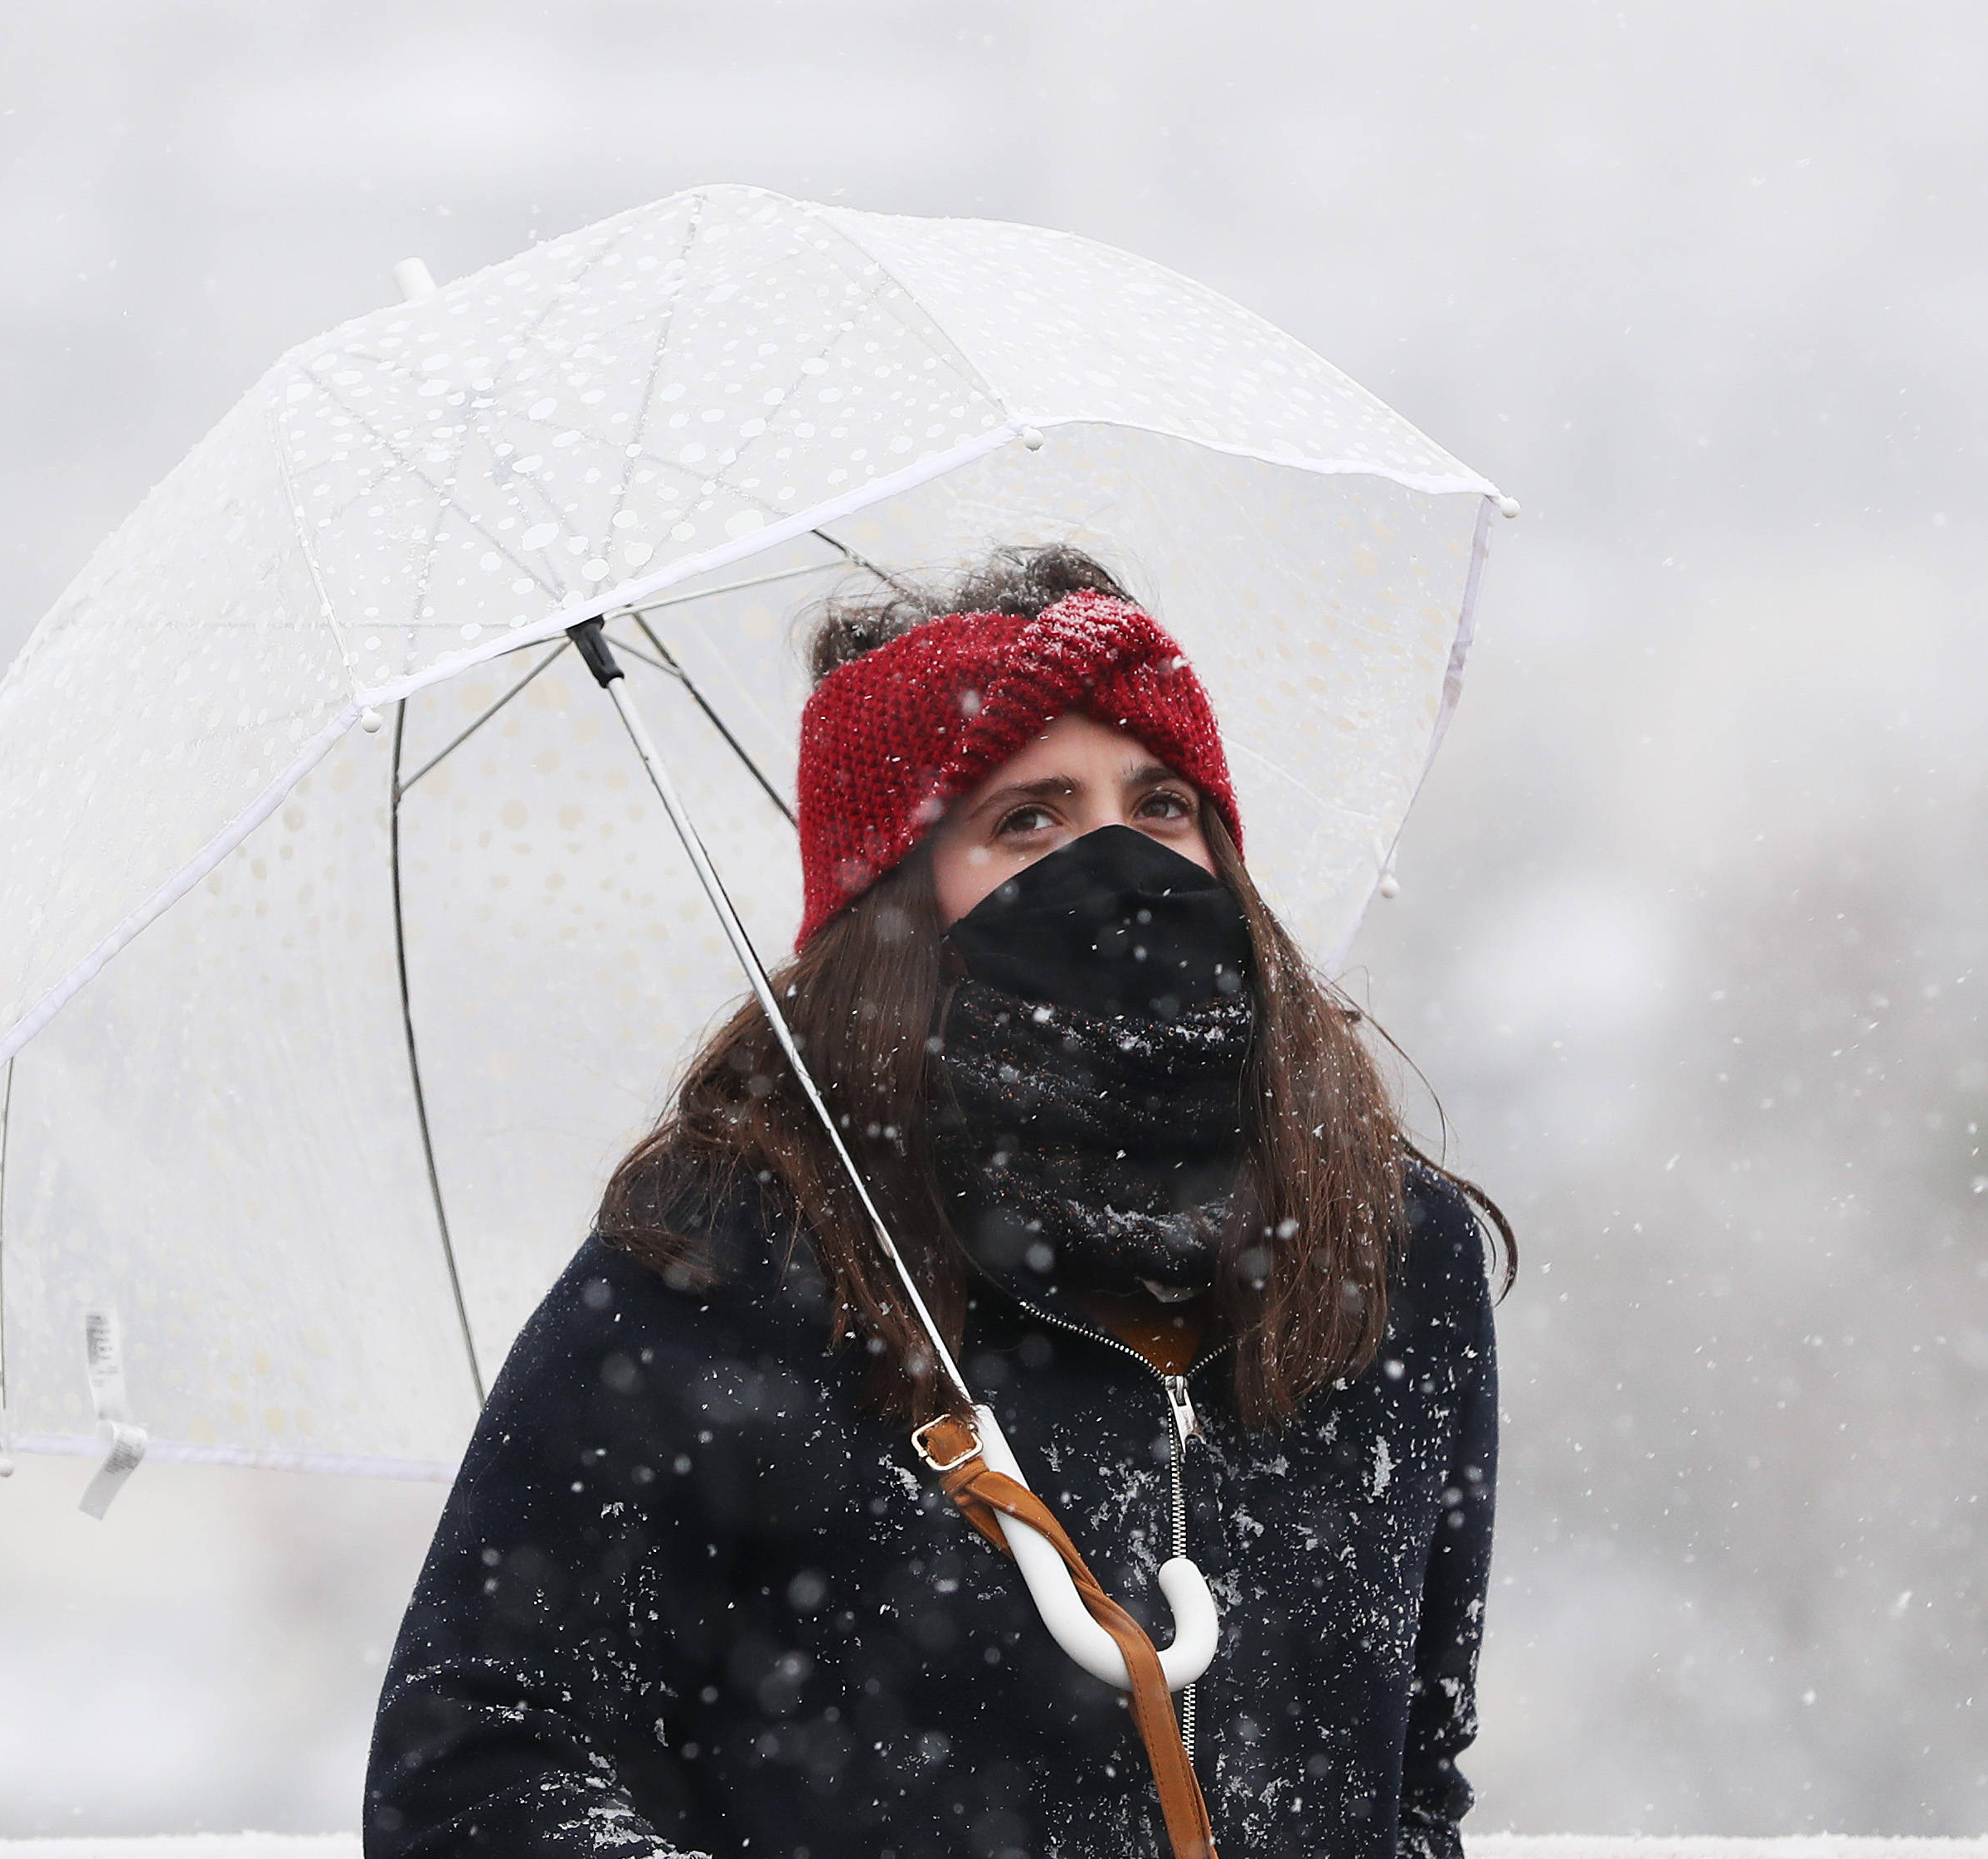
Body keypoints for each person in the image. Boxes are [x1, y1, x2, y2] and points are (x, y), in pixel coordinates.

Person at [366, 546, 1511, 1859]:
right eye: (1028, 818)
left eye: (1161, 802)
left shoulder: (1388, 1248)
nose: (1121, 865)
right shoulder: (724, 1260)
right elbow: (477, 1766)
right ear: (897, 903)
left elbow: (1415, 1780)